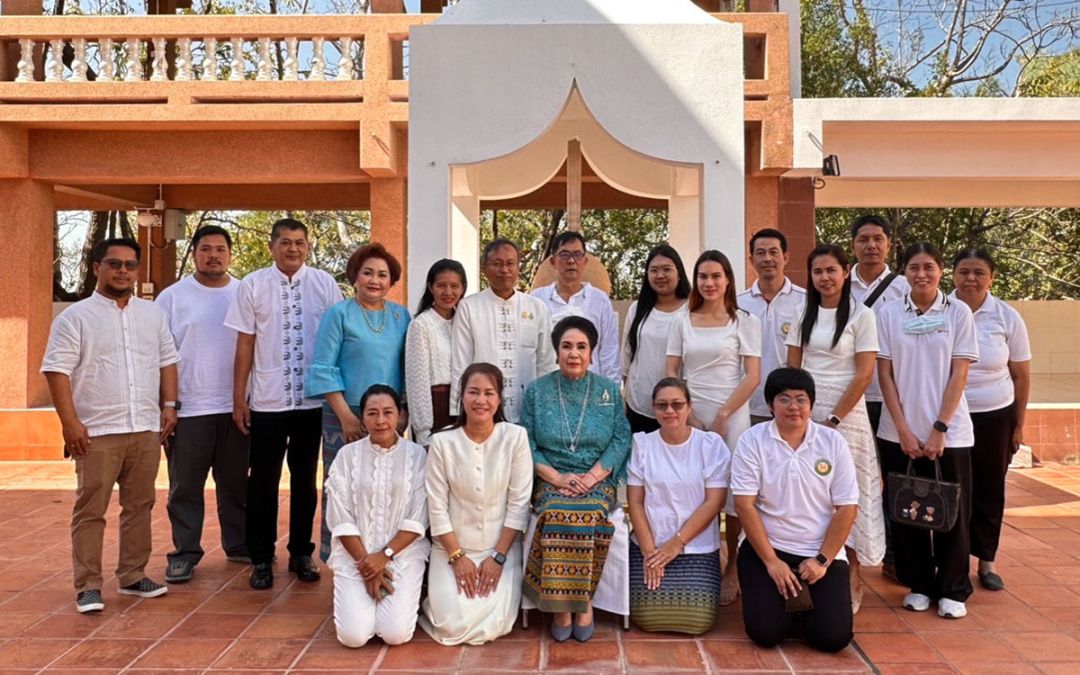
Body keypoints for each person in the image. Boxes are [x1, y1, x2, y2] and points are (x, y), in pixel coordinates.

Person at [42, 238, 180, 613]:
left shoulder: (152, 315)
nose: (123, 271)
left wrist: (169, 406)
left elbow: (168, 360)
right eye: (114, 264)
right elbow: (57, 372)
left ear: (137, 271)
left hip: (145, 428)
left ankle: (133, 575)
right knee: (91, 509)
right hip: (97, 431)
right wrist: (70, 424)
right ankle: (88, 585)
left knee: (140, 505)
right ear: (96, 268)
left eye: (130, 265)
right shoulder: (75, 318)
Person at [225, 218, 344, 589]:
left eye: (299, 243)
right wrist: (238, 397)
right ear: (272, 247)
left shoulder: (324, 284)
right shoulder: (253, 285)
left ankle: (300, 552)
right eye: (285, 242)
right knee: (262, 481)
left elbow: (339, 340)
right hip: (267, 400)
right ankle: (261, 558)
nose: (293, 249)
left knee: (306, 481)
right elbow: (245, 344)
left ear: (308, 247)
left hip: (311, 402)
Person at [877, 242, 978, 619]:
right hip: (899, 432)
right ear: (904, 272)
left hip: (950, 432)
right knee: (908, 510)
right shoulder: (888, 314)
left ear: (941, 271)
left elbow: (961, 372)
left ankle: (953, 587)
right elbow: (884, 374)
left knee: (952, 509)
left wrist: (940, 428)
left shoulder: (958, 312)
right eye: (914, 267)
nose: (921, 274)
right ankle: (918, 583)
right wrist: (902, 429)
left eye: (929, 267)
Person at [731, 367, 859, 653]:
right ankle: (787, 605)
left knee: (833, 638)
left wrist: (822, 560)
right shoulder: (752, 441)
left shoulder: (832, 442)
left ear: (811, 404)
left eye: (800, 399)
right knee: (765, 634)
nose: (793, 407)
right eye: (784, 399)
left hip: (819, 551)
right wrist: (772, 562)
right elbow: (744, 506)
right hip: (766, 548)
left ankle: (804, 606)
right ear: (770, 405)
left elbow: (847, 508)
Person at [520, 316, 632, 642]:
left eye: (581, 347)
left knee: (589, 515)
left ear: (592, 353)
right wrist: (556, 478)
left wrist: (594, 476)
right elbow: (526, 441)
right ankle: (563, 608)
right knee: (557, 514)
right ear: (556, 352)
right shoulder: (538, 392)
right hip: (550, 479)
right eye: (566, 346)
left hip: (598, 481)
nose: (574, 353)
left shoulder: (608, 391)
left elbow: (621, 439)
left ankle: (582, 605)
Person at [786, 244, 883, 613]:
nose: (824, 278)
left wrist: (835, 420)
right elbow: (793, 370)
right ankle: (810, 575)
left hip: (847, 416)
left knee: (848, 495)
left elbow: (864, 373)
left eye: (831, 270)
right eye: (817, 272)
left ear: (845, 272)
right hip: (804, 413)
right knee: (811, 495)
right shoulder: (801, 314)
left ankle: (853, 574)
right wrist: (802, 413)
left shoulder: (862, 315)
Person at [666, 249, 761, 606]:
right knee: (696, 490)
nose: (709, 283)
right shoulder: (682, 320)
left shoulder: (745, 321)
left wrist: (723, 415)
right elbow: (672, 371)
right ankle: (698, 562)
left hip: (731, 415)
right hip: (690, 414)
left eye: (716, 276)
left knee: (735, 495)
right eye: (703, 277)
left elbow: (753, 376)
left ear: (728, 281)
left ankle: (733, 567)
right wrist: (687, 413)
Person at [156, 225, 250, 584]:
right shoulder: (173, 297)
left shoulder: (244, 292)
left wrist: (248, 399)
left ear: (230, 254)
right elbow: (160, 354)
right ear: (194, 253)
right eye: (206, 248)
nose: (214, 255)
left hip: (236, 409)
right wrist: (167, 404)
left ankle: (240, 544)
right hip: (188, 410)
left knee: (236, 484)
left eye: (221, 249)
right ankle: (185, 553)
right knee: (185, 487)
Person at [307, 243, 410, 562]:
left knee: (386, 487)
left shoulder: (401, 316)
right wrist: (346, 418)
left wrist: (403, 410)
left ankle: (383, 558)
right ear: (355, 277)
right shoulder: (338, 314)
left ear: (392, 281)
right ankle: (341, 559)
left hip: (389, 418)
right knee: (344, 487)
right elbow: (324, 367)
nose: (374, 280)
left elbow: (408, 366)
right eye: (367, 273)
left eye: (382, 274)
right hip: (345, 414)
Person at [421, 363, 533, 646]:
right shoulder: (442, 442)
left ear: (499, 399)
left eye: (488, 393)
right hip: (451, 549)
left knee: (496, 626)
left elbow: (519, 503)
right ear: (461, 397)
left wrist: (498, 558)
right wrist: (457, 558)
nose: (480, 400)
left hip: (499, 550)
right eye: (473, 392)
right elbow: (436, 507)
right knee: (450, 626)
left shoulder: (515, 437)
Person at [324, 384, 429, 648]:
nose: (380, 421)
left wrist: (384, 557)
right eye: (372, 413)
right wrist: (367, 564)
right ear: (362, 418)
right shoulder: (347, 456)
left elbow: (419, 514)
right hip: (356, 557)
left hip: (402, 555)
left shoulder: (417, 456)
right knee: (353, 637)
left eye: (387, 412)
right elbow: (340, 515)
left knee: (396, 634)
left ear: (399, 416)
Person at [951, 248, 1030, 591]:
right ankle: (949, 558)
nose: (971, 278)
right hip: (950, 416)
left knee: (989, 487)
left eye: (978, 273)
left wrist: (1019, 424)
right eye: (964, 271)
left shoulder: (1006, 316)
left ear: (991, 278)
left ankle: (986, 561)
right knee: (951, 489)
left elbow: (1021, 375)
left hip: (994, 415)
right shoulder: (942, 311)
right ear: (951, 275)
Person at [626, 377, 729, 635]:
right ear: (653, 409)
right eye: (662, 406)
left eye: (676, 404)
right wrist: (650, 554)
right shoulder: (642, 444)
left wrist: (677, 543)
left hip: (695, 544)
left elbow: (714, 502)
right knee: (647, 617)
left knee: (697, 621)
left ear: (689, 407)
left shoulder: (710, 445)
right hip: (650, 544)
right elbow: (635, 502)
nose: (669, 411)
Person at [849, 215, 909, 577]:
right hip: (853, 399)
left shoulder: (905, 287)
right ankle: (852, 551)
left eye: (877, 239)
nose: (871, 245)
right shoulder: (841, 285)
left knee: (894, 477)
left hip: (892, 399)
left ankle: (896, 555)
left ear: (888, 244)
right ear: (853, 245)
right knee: (854, 477)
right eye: (863, 239)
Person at [451, 238, 556, 423]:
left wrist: (546, 407)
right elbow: (461, 362)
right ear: (485, 269)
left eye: (510, 264)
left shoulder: (536, 307)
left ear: (518, 268)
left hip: (528, 409)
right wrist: (458, 410)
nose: (504, 270)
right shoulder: (469, 307)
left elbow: (546, 361)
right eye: (497, 264)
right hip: (482, 410)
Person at [737, 228, 805, 425]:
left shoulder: (805, 302)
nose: (767, 258)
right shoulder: (736, 304)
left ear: (786, 257)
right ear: (751, 260)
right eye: (760, 253)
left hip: (790, 407)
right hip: (747, 406)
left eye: (773, 252)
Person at [531, 231, 621, 382]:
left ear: (585, 262)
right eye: (564, 255)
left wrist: (610, 394)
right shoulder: (537, 299)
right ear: (553, 261)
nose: (571, 261)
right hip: (548, 387)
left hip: (591, 388)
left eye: (577, 255)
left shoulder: (600, 300)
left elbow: (609, 352)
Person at [621, 244, 691, 433]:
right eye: (654, 270)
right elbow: (627, 357)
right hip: (640, 404)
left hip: (677, 408)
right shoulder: (637, 309)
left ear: (679, 273)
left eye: (666, 269)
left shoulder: (693, 310)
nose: (660, 275)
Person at [405, 259, 467, 446]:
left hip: (465, 408)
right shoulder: (421, 325)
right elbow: (417, 382)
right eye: (441, 285)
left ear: (463, 288)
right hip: (435, 410)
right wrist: (424, 430)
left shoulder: (465, 322)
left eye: (454, 286)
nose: (448, 292)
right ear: (431, 288)